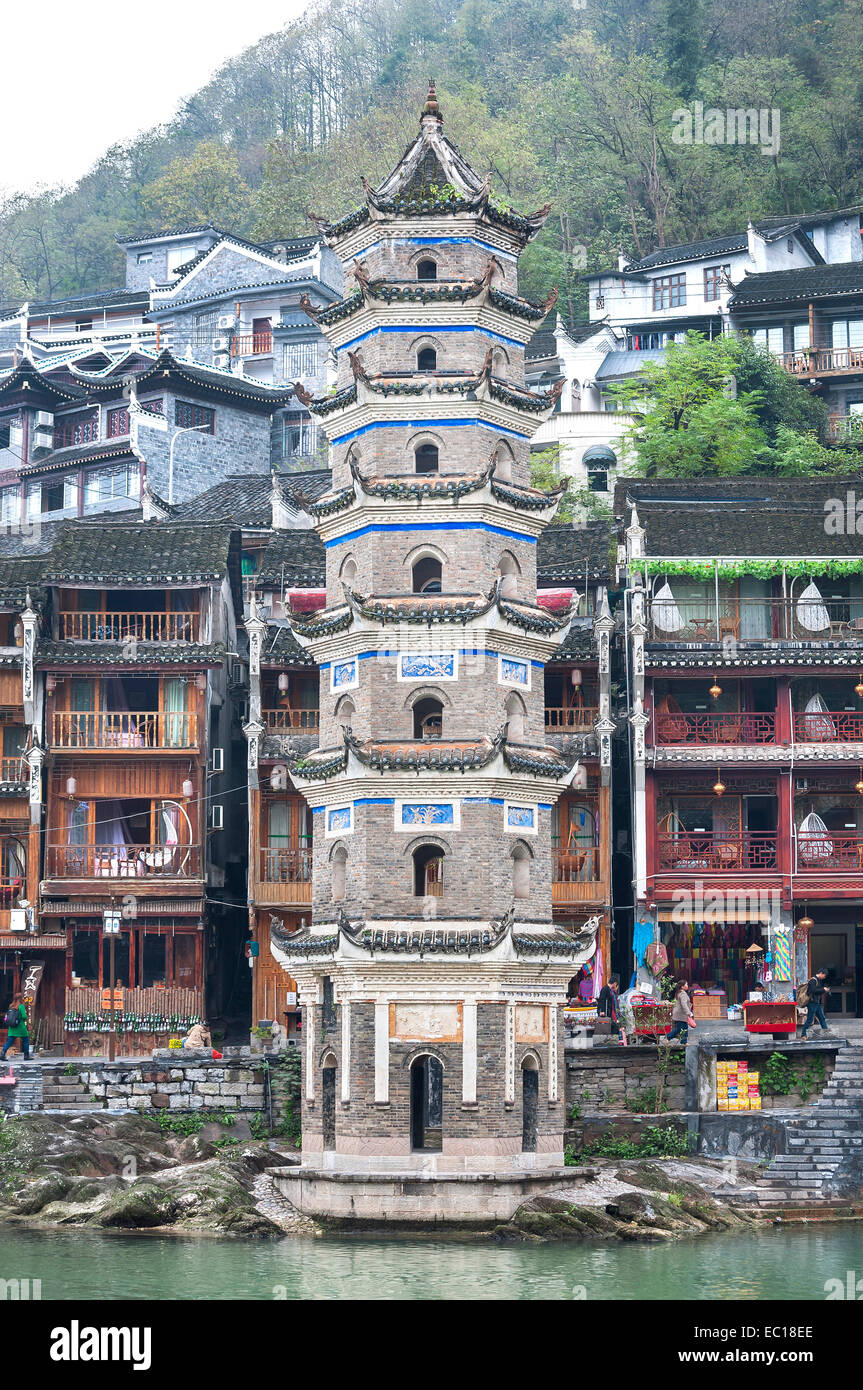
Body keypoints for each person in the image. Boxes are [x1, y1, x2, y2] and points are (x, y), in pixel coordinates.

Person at [596, 974, 627, 1044]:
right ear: (614, 983)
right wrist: (602, 1011)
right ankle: (609, 1041)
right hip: (606, 1011)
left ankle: (612, 1040)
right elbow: (602, 1000)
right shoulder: (605, 989)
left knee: (612, 1025)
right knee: (608, 1026)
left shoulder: (610, 990)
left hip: (609, 1011)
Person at [801, 970, 830, 1038]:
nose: (824, 977)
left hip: (817, 1003)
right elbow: (813, 990)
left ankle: (826, 1033)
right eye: (824, 976)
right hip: (812, 1003)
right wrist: (823, 990)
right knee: (810, 1019)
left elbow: (817, 990)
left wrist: (824, 989)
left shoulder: (818, 980)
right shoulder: (813, 980)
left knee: (822, 1018)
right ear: (821, 973)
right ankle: (803, 1034)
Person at [1, 993, 30, 1060]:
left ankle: (2, 1054)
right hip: (20, 1027)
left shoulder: (11, 1006)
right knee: (26, 1040)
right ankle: (26, 1056)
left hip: (12, 1027)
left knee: (9, 1041)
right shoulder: (21, 1006)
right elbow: (24, 1016)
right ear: (21, 998)